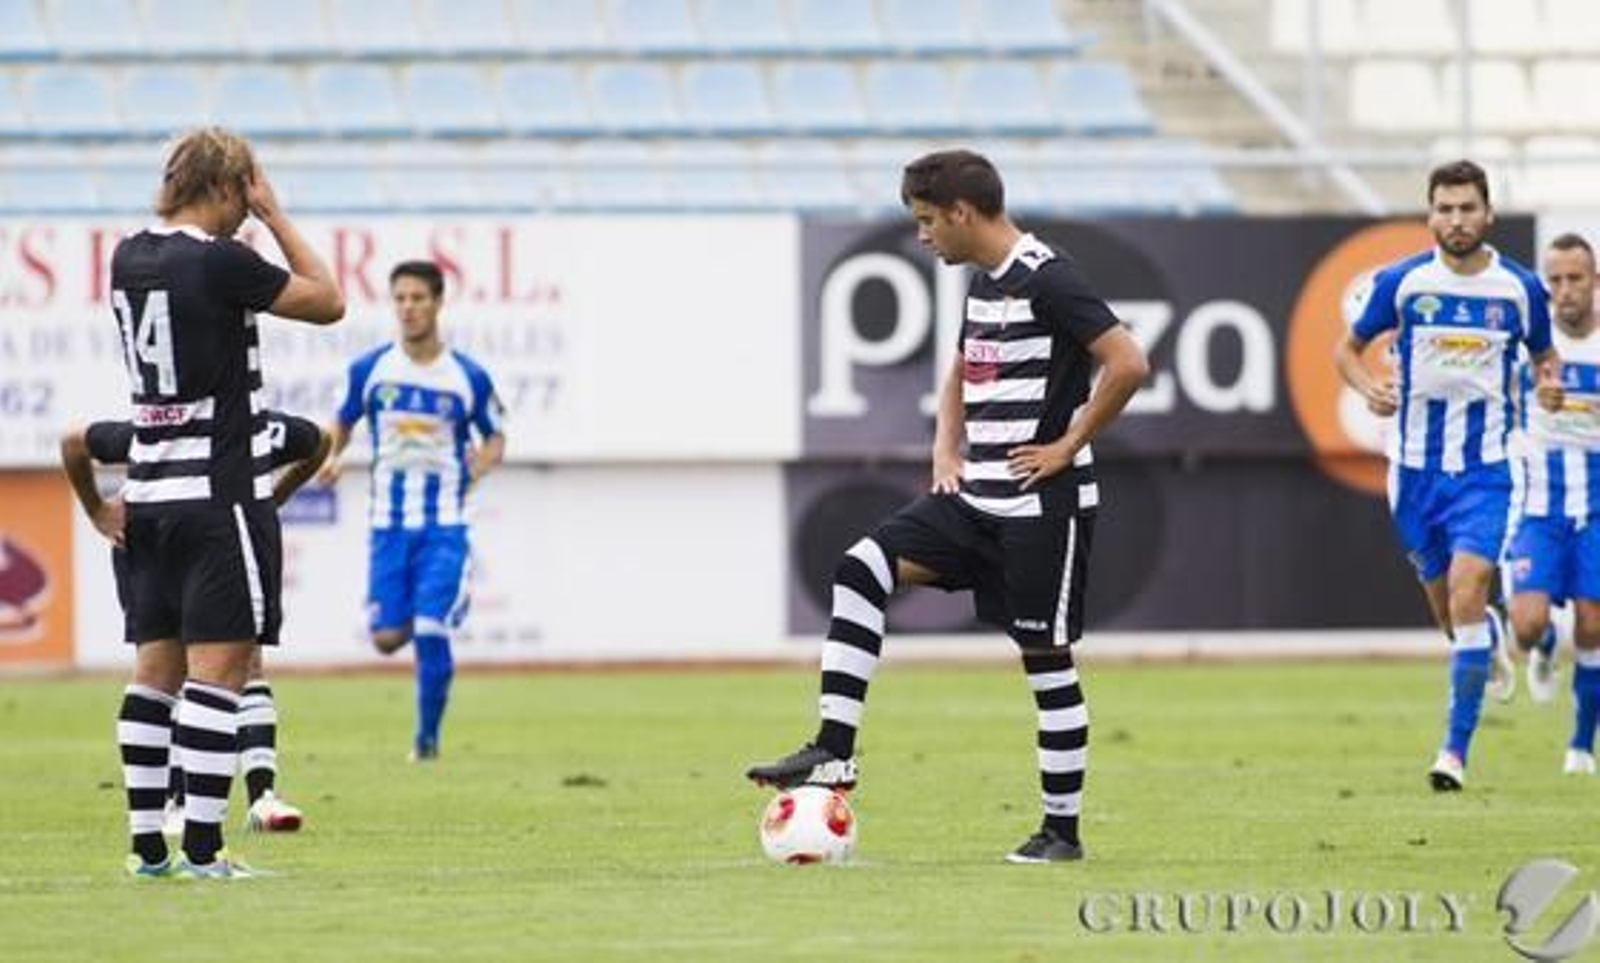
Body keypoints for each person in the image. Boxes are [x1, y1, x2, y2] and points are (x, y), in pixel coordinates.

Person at [746, 150, 1148, 863]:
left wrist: (1068, 444)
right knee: (861, 567)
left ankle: (1061, 833)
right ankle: (834, 750)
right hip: (974, 498)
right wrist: (944, 448)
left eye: (928, 220)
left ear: (963, 212)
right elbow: (963, 368)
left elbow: (1128, 362)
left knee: (1046, 663)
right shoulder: (985, 282)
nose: (923, 234)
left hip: (1041, 509)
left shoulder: (1049, 276)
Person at [107, 126, 343, 878]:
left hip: (148, 494)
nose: (249, 205)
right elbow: (328, 300)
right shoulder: (218, 260)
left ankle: (149, 847)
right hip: (218, 496)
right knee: (221, 672)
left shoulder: (127, 257)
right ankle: (205, 851)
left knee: (154, 675)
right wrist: (274, 216)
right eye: (247, 189)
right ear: (228, 185)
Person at [1334, 160, 1562, 792]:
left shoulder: (1519, 289)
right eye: (1445, 208)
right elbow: (1346, 350)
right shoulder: (1402, 283)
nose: (1456, 220)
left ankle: (1452, 754)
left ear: (1488, 214)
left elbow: (1545, 357)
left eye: (1467, 208)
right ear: (1430, 215)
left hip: (1489, 470)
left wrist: (1547, 386)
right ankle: (1483, 638)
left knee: (1468, 588)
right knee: (1450, 614)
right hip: (1413, 473)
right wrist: (1368, 387)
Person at [62, 410, 330, 836]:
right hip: (160, 538)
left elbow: (320, 441)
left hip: (216, 533)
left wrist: (276, 495)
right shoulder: (159, 424)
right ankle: (177, 803)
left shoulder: (256, 427)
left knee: (240, 665)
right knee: (173, 672)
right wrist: (97, 510)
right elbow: (75, 443)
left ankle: (258, 798)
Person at [319, 260, 505, 761]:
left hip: (445, 523)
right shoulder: (371, 370)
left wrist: (482, 463)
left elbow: (495, 436)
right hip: (388, 525)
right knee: (385, 638)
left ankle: (426, 741)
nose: (408, 308)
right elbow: (341, 421)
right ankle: (433, 611)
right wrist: (331, 456)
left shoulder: (467, 377)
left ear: (438, 302)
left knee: (428, 628)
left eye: (418, 298)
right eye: (400, 298)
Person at [1502, 233, 1600, 771]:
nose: (1565, 290)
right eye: (1555, 280)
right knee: (1525, 623)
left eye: (1575, 278)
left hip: (1596, 506)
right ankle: (1542, 647)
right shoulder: (1528, 348)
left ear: (1595, 282)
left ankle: (1581, 746)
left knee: (1593, 623)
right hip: (1538, 505)